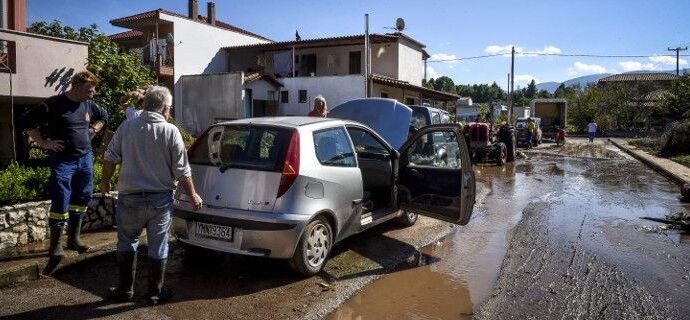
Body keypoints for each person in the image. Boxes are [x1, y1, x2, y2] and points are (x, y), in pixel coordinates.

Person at [101, 86, 203, 304]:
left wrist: (105, 183)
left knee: (127, 242)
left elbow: (109, 156)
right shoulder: (170, 131)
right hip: (160, 201)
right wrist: (193, 195)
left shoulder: (127, 126)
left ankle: (124, 290)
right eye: (170, 108)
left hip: (129, 199)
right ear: (165, 108)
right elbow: (182, 170)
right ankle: (154, 294)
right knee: (158, 244)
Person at [21, 70, 108, 269]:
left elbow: (104, 116)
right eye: (89, 90)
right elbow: (26, 122)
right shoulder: (53, 104)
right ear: (76, 87)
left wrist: (94, 129)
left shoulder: (88, 104)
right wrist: (43, 142)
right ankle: (55, 246)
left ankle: (74, 239)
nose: (92, 94)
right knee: (61, 197)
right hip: (63, 160)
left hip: (84, 158)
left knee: (83, 197)